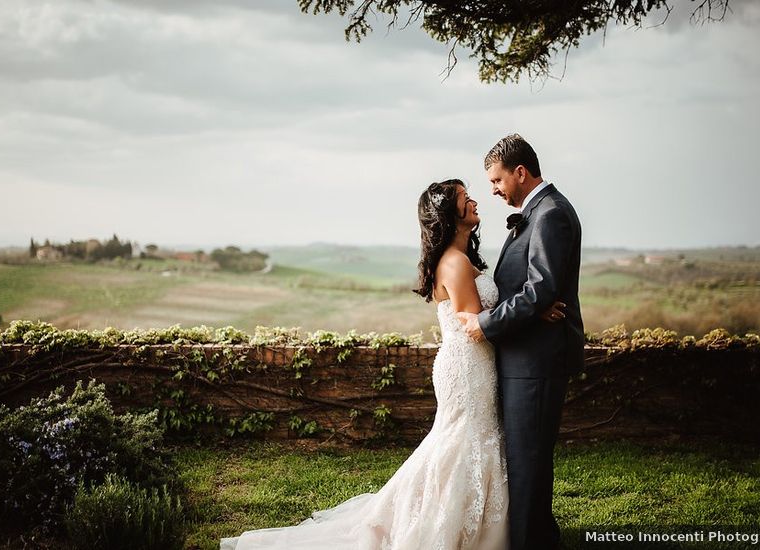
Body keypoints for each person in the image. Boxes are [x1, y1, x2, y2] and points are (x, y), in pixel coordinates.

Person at [220, 178, 565, 549]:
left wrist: (526, 308)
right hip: (467, 367)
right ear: (450, 213)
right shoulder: (455, 264)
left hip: (474, 366)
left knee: (466, 441)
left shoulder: (462, 259)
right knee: (462, 443)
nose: (475, 201)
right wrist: (533, 312)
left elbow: (486, 316)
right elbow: (477, 328)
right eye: (466, 199)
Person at [458, 134, 585, 550]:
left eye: (496, 180)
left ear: (520, 172)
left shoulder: (550, 215)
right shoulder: (536, 213)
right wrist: (536, 301)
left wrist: (486, 324)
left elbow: (541, 289)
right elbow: (535, 292)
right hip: (525, 358)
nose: (493, 190)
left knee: (528, 463)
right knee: (524, 460)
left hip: (537, 361)